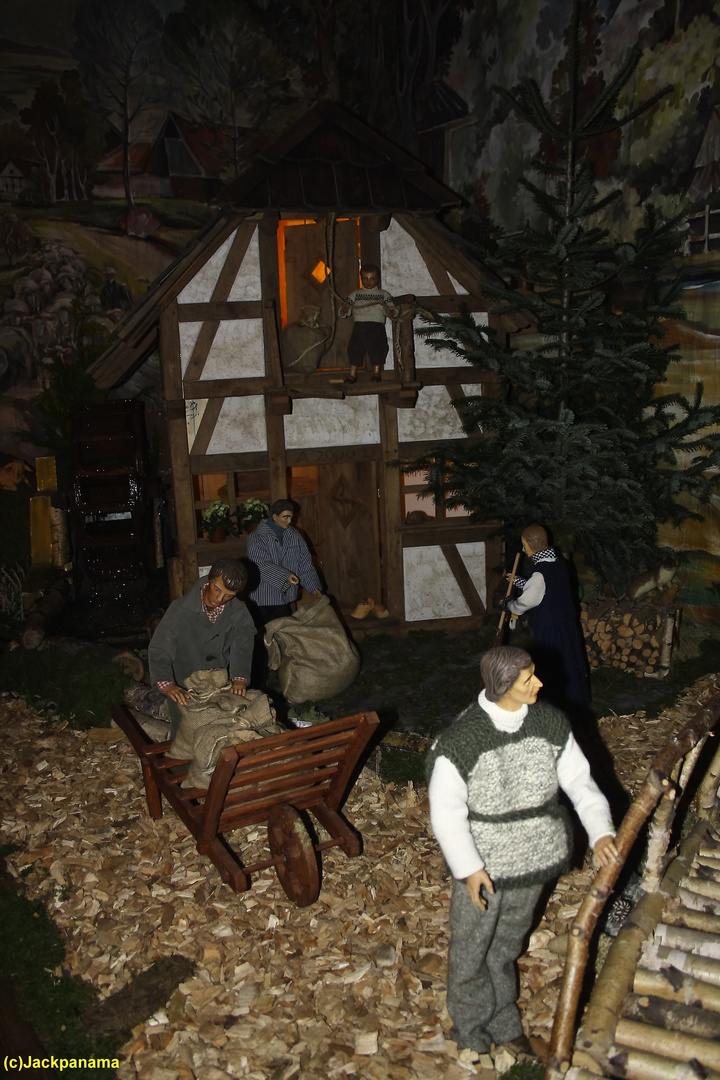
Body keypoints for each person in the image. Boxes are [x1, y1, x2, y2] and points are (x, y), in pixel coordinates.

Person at [427, 646, 617, 1057]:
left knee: (507, 945)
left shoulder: (549, 723)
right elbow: (446, 813)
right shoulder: (462, 740)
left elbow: (580, 784)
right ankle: (471, 1026)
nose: (539, 683)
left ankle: (504, 1021)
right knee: (472, 949)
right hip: (486, 866)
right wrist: (469, 867)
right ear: (502, 685)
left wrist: (601, 831)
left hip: (534, 861)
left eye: (534, 675)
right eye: (528, 678)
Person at [148, 558, 255, 733]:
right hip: (184, 686)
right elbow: (160, 648)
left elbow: (243, 644)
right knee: (185, 731)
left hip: (218, 683)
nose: (220, 599)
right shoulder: (180, 609)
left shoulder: (238, 612)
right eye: (217, 589)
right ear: (209, 580)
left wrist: (239, 677)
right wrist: (166, 683)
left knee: (223, 727)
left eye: (229, 595)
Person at [505, 524, 590, 713]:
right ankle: (576, 699)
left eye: (524, 544)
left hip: (549, 628)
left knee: (550, 665)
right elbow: (547, 587)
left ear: (530, 544)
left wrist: (510, 604)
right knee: (569, 661)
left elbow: (528, 600)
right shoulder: (559, 563)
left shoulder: (539, 572)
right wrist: (519, 581)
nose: (523, 549)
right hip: (566, 625)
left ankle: (554, 703)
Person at [247, 499, 322, 624]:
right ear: (275, 517)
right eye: (285, 517)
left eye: (291, 517)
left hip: (285, 595)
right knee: (272, 631)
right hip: (264, 595)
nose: (289, 521)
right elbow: (260, 565)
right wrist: (285, 577)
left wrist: (312, 585)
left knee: (285, 628)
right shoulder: (257, 537)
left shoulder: (294, 535)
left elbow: (304, 561)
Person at [340, 263, 398, 384]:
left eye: (372, 279)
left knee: (377, 348)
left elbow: (392, 308)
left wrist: (392, 312)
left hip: (376, 326)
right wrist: (344, 310)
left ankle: (376, 373)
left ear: (378, 279)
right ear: (361, 278)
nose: (369, 282)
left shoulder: (383, 295)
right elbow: (345, 310)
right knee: (355, 348)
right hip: (359, 326)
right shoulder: (355, 294)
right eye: (365, 278)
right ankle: (352, 374)